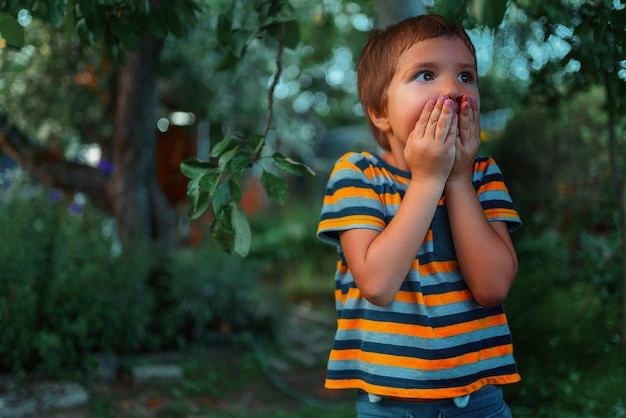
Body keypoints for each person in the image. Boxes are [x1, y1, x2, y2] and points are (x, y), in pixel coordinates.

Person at [316, 14, 521, 417]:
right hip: (391, 407)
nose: (451, 89)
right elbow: (377, 282)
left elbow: (492, 287)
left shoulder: (482, 177)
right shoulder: (358, 174)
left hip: (478, 402)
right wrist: (428, 180)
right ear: (380, 112)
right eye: (426, 75)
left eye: (466, 77)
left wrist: (458, 179)